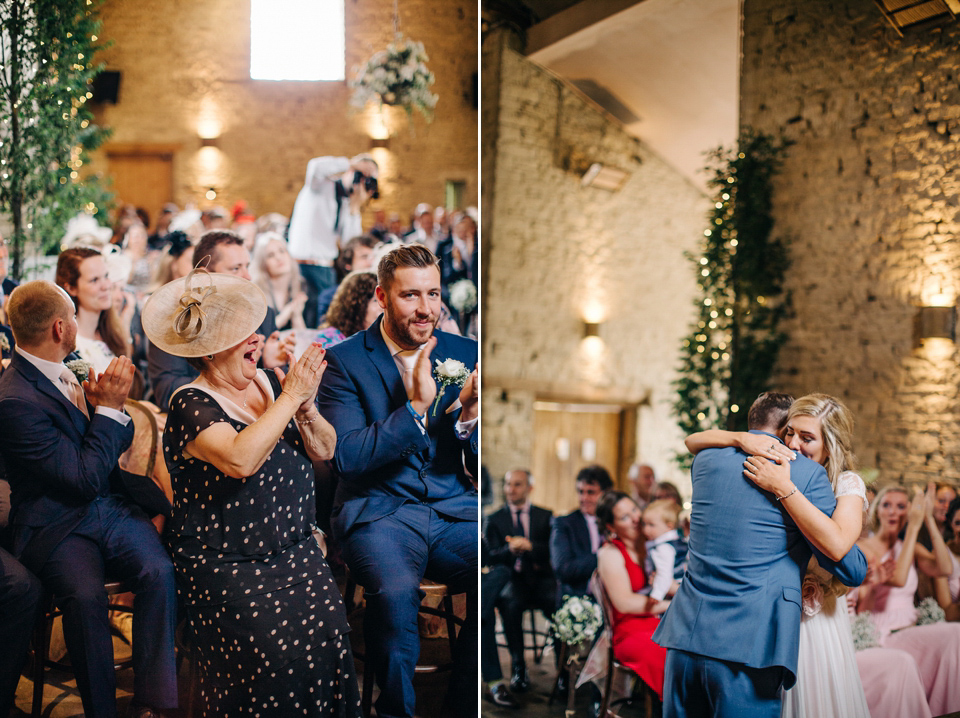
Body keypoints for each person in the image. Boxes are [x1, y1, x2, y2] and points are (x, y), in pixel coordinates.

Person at [141, 267, 361, 717]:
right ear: (211, 350)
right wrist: (288, 397)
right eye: (245, 334)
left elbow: (325, 448)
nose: (258, 340)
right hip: (229, 563)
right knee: (274, 658)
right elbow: (241, 459)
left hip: (295, 552)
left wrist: (306, 405)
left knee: (333, 637)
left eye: (257, 330)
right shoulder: (190, 403)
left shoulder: (268, 382)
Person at [0, 280, 176, 718]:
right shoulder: (14, 401)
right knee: (84, 597)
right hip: (55, 523)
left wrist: (108, 410)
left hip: (108, 508)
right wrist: (112, 409)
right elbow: (79, 479)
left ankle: (154, 703)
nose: (79, 324)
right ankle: (102, 711)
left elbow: (117, 442)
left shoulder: (71, 362)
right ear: (61, 328)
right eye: (74, 317)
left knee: (159, 570)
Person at [316, 244, 478, 718]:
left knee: (492, 577)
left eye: (433, 294)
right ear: (383, 298)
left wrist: (469, 420)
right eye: (410, 296)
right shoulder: (343, 361)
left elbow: (473, 461)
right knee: (395, 594)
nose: (426, 309)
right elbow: (346, 457)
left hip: (452, 508)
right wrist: (416, 410)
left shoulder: (464, 353)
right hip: (378, 512)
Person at [653, 392, 867, 718]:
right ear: (780, 430)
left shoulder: (706, 460)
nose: (794, 445)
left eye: (806, 437)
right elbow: (850, 569)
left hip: (688, 634)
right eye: (790, 433)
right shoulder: (806, 475)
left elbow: (693, 441)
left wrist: (741, 442)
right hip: (753, 642)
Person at [146, 230, 284, 410]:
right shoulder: (176, 322)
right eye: (235, 268)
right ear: (204, 275)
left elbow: (281, 390)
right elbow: (166, 392)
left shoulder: (264, 315)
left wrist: (268, 365)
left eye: (247, 267)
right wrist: (231, 369)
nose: (247, 277)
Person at [854, 484, 960, 715]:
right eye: (887, 505)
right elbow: (899, 578)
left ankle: (949, 711)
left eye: (901, 506)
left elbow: (944, 567)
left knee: (956, 634)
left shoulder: (909, 547)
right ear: (876, 511)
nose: (894, 512)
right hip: (883, 630)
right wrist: (913, 527)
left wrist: (928, 520)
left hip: (912, 624)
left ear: (911, 511)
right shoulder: (863, 548)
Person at [483, 469, 555, 694]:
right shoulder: (494, 519)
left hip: (541, 579)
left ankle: (564, 670)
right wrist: (509, 550)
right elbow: (488, 557)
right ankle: (518, 666)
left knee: (559, 603)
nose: (510, 489)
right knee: (509, 605)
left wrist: (530, 546)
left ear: (529, 488)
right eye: (507, 484)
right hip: (513, 580)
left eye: (517, 484)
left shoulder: (545, 516)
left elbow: (554, 553)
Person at [287, 154, 379, 327]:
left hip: (327, 269)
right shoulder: (320, 185)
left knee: (323, 322)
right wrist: (352, 163)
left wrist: (354, 208)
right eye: (361, 175)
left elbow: (350, 243)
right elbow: (315, 166)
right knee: (304, 320)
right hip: (303, 266)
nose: (361, 182)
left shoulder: (347, 202)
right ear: (350, 171)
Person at [596, 490, 669, 704]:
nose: (636, 518)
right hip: (630, 629)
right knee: (668, 653)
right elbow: (624, 603)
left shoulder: (653, 540)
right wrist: (670, 605)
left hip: (660, 619)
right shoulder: (610, 553)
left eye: (635, 509)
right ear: (611, 527)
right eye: (625, 517)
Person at [56, 247, 132, 377]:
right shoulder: (66, 345)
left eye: (106, 276)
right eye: (94, 280)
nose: (106, 286)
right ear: (71, 288)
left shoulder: (111, 332)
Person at [550, 465, 614, 606]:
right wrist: (605, 556)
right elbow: (563, 569)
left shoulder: (615, 522)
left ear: (606, 493)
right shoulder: (564, 523)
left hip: (614, 598)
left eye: (591, 492)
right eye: (580, 492)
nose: (584, 498)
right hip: (576, 600)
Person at [250, 231, 307, 331]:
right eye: (270, 255)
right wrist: (286, 314)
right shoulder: (256, 294)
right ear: (263, 263)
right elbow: (260, 336)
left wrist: (296, 316)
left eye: (282, 251)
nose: (278, 258)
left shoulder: (303, 286)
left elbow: (307, 338)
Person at [316, 234, 378, 322]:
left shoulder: (385, 293)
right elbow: (324, 330)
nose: (371, 262)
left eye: (375, 256)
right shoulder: (330, 296)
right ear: (348, 264)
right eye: (364, 257)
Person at [313, 270, 381, 348]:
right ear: (357, 304)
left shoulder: (377, 338)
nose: (383, 307)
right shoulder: (329, 339)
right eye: (375, 301)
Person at [641, 499, 687, 602]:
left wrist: (656, 594)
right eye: (644, 524)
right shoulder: (678, 540)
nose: (645, 529)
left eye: (651, 525)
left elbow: (664, 573)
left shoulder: (663, 548)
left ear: (668, 526)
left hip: (673, 590)